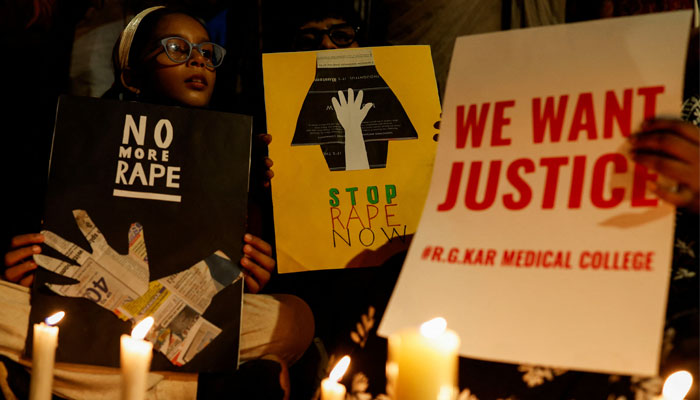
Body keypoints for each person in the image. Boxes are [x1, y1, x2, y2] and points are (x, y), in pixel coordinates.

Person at [2, 6, 313, 399]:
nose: (197, 58)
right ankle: (209, 391)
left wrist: (249, 270)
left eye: (206, 51)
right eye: (176, 48)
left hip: (175, 320)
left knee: (293, 319)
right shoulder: (79, 143)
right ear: (131, 76)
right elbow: (46, 256)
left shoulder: (231, 156)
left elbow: (224, 286)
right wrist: (24, 264)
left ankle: (40, 381)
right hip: (88, 316)